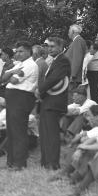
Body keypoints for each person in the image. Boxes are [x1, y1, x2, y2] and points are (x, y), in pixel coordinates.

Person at [51, 104, 98, 183]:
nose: (88, 119)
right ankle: (68, 174)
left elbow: (84, 139)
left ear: (97, 117)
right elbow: (85, 138)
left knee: (87, 150)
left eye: (90, 116)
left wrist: (80, 146)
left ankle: (71, 177)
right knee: (83, 148)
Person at [2, 42, 39, 171]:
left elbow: (13, 80)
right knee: (11, 130)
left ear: (29, 52)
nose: (17, 53)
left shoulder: (30, 65)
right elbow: (3, 77)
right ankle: (11, 161)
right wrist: (12, 72)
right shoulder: (19, 64)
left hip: (21, 98)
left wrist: (10, 73)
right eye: (17, 51)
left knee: (18, 131)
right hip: (13, 97)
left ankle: (19, 162)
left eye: (21, 51)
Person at [37, 37, 71, 170]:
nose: (49, 48)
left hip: (54, 101)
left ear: (60, 47)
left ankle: (52, 163)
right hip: (48, 101)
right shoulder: (54, 60)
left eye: (52, 46)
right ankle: (46, 161)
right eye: (48, 46)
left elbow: (54, 78)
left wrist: (39, 90)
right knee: (45, 133)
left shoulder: (63, 60)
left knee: (51, 134)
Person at [65, 24, 88, 90]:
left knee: (72, 97)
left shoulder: (78, 40)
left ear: (73, 32)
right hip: (74, 76)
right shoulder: (77, 41)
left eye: (69, 32)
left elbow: (77, 59)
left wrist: (73, 75)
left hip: (74, 78)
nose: (68, 33)